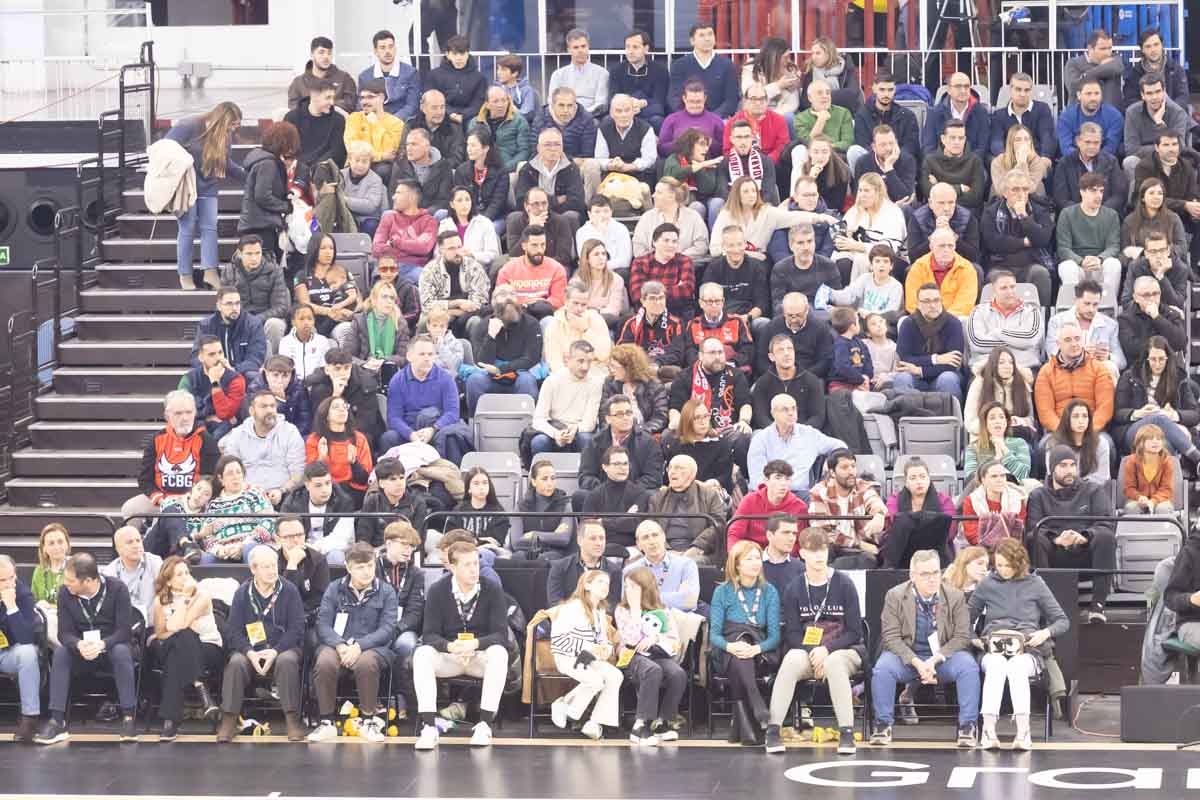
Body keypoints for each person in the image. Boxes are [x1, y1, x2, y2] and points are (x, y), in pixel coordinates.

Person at [764, 528, 864, 755]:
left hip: (844, 649)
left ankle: (846, 732)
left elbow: (854, 631)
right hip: (808, 650)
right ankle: (773, 730)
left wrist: (826, 650)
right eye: (813, 551)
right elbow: (792, 633)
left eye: (823, 550)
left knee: (835, 664)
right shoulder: (795, 588)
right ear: (802, 554)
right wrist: (813, 651)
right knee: (790, 660)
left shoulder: (844, 583)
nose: (819, 556)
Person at [870, 549, 981, 747]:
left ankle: (967, 726)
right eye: (925, 574)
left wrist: (935, 659)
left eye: (936, 573)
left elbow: (962, 636)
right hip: (907, 657)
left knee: (968, 666)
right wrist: (916, 662)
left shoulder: (955, 597)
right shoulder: (895, 596)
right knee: (883, 669)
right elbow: (891, 637)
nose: (932, 579)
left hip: (942, 658)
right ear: (912, 576)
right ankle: (883, 723)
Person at [970, 538, 1069, 750]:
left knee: (1016, 667)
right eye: (999, 566)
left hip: (1027, 648)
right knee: (996, 666)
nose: (1003, 570)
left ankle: (1023, 732)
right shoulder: (987, 584)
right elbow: (965, 619)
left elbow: (1062, 621)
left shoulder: (1035, 584)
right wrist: (974, 639)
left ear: (1019, 563)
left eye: (1007, 565)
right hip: (993, 646)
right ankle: (988, 731)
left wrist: (1044, 633)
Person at [413, 542, 510, 750]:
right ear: (452, 567)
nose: (474, 569)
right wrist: (450, 646)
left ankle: (484, 724)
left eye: (476, 563)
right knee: (422, 654)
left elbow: (501, 635)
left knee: (499, 653)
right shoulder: (438, 590)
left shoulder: (492, 588)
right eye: (467, 565)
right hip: (451, 656)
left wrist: (475, 643)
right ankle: (429, 726)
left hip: (479, 655)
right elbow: (429, 634)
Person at [34, 553, 137, 745]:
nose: (66, 583)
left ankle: (129, 718)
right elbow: (64, 633)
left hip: (110, 647)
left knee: (122, 651)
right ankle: (57, 720)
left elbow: (124, 631)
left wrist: (103, 644)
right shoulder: (65, 593)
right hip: (81, 650)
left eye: (71, 580)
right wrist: (78, 644)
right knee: (61, 653)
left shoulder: (117, 589)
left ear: (88, 581)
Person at [306, 542, 398, 744]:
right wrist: (339, 645)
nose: (366, 572)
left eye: (370, 566)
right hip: (338, 645)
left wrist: (359, 646)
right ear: (348, 567)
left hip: (373, 648)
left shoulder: (387, 591)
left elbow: (388, 628)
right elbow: (323, 624)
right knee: (324, 661)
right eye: (360, 567)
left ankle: (368, 721)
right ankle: (327, 722)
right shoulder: (334, 589)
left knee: (366, 663)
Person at [214, 545, 305, 742]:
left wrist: (275, 650)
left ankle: (292, 719)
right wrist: (249, 652)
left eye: (274, 565)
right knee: (236, 663)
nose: (272, 571)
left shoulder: (289, 590)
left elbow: (297, 628)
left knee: (287, 661)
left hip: (282, 647)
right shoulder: (242, 593)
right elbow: (232, 631)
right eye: (266, 567)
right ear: (253, 569)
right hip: (252, 650)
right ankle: (229, 720)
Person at [1028, 445, 1117, 622]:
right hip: (1054, 555)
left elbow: (1106, 522)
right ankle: (1049, 608)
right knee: (1035, 539)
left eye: (1072, 465)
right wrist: (1056, 539)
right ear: (1052, 468)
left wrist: (1085, 536)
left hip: (1086, 554)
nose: (1069, 471)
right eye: (1063, 466)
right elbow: (1033, 528)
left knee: (1106, 537)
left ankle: (1098, 607)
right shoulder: (1038, 495)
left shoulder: (1093, 490)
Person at [708, 541, 780, 745]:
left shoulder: (770, 591)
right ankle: (756, 701)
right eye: (749, 559)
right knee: (739, 641)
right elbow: (714, 635)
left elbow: (775, 636)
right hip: (727, 649)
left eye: (758, 558)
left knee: (745, 644)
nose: (756, 563)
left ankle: (742, 727)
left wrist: (755, 649)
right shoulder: (722, 591)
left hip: (759, 650)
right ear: (737, 564)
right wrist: (731, 647)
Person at [166, 102, 244, 290]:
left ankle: (210, 272)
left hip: (208, 187)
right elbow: (165, 148)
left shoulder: (225, 137)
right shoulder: (190, 125)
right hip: (187, 186)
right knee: (187, 228)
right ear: (222, 119)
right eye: (232, 124)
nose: (233, 130)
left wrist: (249, 177)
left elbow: (227, 163)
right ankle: (185, 274)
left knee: (210, 228)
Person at [149, 557, 223, 741]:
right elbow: (161, 632)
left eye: (187, 573)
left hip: (208, 647)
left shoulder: (202, 596)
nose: (185, 577)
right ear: (168, 580)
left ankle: (170, 721)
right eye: (179, 574)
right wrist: (172, 630)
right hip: (179, 648)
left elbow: (179, 625)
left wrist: (185, 598)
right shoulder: (160, 600)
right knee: (180, 642)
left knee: (182, 640)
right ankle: (202, 690)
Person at [123, 390, 220, 524]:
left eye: (188, 412)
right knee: (130, 509)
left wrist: (192, 500)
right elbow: (144, 479)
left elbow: (211, 478)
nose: (185, 418)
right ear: (167, 416)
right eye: (178, 413)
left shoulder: (207, 441)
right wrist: (160, 498)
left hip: (194, 501)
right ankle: (136, 544)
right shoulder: (156, 440)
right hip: (162, 499)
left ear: (195, 413)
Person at [616, 566, 688, 745]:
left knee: (678, 674)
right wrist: (634, 610)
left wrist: (655, 637)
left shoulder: (662, 610)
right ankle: (641, 725)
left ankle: (663, 721)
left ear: (646, 587)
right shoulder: (622, 610)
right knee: (652, 670)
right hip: (633, 656)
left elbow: (674, 642)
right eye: (626, 586)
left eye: (633, 587)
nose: (628, 591)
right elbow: (631, 639)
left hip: (657, 654)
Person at [549, 569, 622, 741]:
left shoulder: (600, 611)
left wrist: (606, 649)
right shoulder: (571, 608)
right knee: (595, 680)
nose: (605, 587)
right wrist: (590, 647)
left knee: (615, 675)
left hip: (590, 659)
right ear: (587, 584)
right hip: (567, 656)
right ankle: (565, 706)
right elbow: (558, 641)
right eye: (600, 582)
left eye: (607, 583)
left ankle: (596, 722)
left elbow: (604, 640)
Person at [382, 334, 473, 462]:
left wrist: (433, 429)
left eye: (430, 354)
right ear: (409, 356)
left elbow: (452, 413)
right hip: (411, 431)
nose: (427, 358)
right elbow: (394, 418)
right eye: (422, 354)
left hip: (437, 428)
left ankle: (451, 477)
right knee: (388, 438)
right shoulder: (397, 380)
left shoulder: (446, 379)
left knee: (450, 437)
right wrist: (411, 434)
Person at [1112, 336, 1200, 465]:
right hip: (1133, 430)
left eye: (1161, 359)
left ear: (1168, 358)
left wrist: (1174, 415)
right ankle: (1196, 458)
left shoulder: (1178, 377)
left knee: (1165, 445)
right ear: (1146, 358)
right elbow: (1118, 413)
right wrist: (1137, 413)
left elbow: (1194, 414)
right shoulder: (1130, 376)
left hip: (1168, 432)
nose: (1157, 364)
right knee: (1158, 418)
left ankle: (1168, 481)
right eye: (1153, 359)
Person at [979, 170, 1055, 306]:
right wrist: (1024, 242)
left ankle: (1043, 318)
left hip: (1031, 264)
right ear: (1005, 193)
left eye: (1025, 189)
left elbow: (1042, 239)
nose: (1021, 194)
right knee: (995, 279)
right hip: (1000, 265)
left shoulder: (1040, 211)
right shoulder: (991, 212)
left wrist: (1023, 217)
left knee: (1041, 274)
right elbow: (993, 242)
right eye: (1015, 189)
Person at [219, 389, 305, 504]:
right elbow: (230, 470)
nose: (270, 410)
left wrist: (281, 490)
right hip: (246, 498)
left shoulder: (290, 432)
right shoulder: (238, 435)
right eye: (264, 406)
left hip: (284, 497)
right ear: (252, 411)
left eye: (272, 406)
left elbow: (298, 473)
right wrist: (251, 493)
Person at [466, 284, 542, 414]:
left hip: (519, 374)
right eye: (502, 294)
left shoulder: (531, 324)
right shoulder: (483, 325)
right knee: (475, 380)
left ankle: (526, 427)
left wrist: (501, 369)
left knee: (527, 381)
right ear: (493, 302)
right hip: (490, 377)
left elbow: (531, 358)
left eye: (512, 294)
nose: (508, 298)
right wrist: (491, 336)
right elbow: (482, 362)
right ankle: (478, 425)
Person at [807, 449, 888, 569]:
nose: (851, 471)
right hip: (833, 546)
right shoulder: (819, 492)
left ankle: (832, 572)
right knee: (821, 550)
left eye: (853, 466)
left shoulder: (862, 486)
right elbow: (824, 532)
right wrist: (859, 544)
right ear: (832, 472)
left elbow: (874, 501)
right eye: (845, 467)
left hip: (858, 552)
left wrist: (879, 515)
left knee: (868, 560)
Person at [1034, 322, 1115, 435]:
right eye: (1068, 340)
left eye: (1077, 339)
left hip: (1092, 430)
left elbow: (1105, 408)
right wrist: (1064, 432)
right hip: (1058, 431)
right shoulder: (1046, 372)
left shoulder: (1098, 369)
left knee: (1104, 445)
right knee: (1047, 447)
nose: (1074, 344)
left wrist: (1088, 430)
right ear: (1058, 344)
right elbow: (1045, 413)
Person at [1132, 132, 1200, 265]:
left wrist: (1194, 206)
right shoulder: (1145, 167)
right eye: (1166, 144)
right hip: (1151, 213)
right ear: (1157, 147)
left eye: (1174, 144)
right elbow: (1147, 199)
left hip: (1181, 214)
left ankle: (1194, 264)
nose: (1171, 149)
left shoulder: (1186, 166)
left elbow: (1192, 194)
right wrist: (1184, 205)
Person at [196, 454, 276, 564]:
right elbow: (207, 536)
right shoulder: (213, 504)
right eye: (230, 473)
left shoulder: (254, 493)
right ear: (221, 479)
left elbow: (269, 521)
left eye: (238, 472)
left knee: (251, 551)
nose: (235, 476)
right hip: (224, 551)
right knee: (205, 560)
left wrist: (243, 545)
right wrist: (219, 550)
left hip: (252, 545)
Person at [530, 340, 604, 457]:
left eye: (589, 362)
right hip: (554, 429)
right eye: (580, 361)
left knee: (586, 439)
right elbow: (538, 420)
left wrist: (574, 429)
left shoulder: (596, 383)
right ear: (568, 360)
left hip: (578, 431)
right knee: (539, 442)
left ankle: (586, 474)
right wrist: (556, 434)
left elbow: (590, 423)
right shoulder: (552, 381)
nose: (585, 367)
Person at [648, 454, 726, 564]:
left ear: (692, 473)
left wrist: (696, 548)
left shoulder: (709, 495)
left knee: (690, 563)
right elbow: (650, 527)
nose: (672, 472)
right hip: (665, 550)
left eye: (679, 468)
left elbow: (717, 525)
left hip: (699, 551)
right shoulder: (658, 497)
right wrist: (666, 550)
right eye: (669, 468)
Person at [238, 122, 298, 263]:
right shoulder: (268, 164)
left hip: (255, 224)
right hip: (261, 226)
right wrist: (286, 206)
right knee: (266, 269)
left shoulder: (262, 161)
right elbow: (262, 196)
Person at [221, 236, 291, 358]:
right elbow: (224, 302)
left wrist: (257, 319)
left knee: (274, 325)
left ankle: (274, 363)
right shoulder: (229, 271)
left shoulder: (274, 271)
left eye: (257, 253)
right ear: (239, 253)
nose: (254, 258)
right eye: (249, 254)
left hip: (267, 319)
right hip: (240, 318)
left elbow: (281, 307)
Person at [1056, 172, 1123, 299]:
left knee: (1113, 264)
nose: (1098, 196)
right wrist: (1081, 261)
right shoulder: (1067, 214)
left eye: (1101, 191)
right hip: (1078, 265)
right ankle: (1074, 309)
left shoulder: (1111, 215)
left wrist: (1100, 259)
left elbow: (1113, 246)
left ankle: (1108, 305)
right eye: (1093, 191)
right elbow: (1063, 248)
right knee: (1067, 267)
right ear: (1082, 192)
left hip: (1099, 265)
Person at [895, 283, 967, 399]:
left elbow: (952, 364)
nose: (933, 305)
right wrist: (936, 359)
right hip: (915, 378)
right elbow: (904, 360)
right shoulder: (908, 324)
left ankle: (950, 417)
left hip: (943, 375)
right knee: (902, 378)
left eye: (936, 300)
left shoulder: (953, 323)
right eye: (927, 301)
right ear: (918, 304)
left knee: (948, 378)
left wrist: (920, 370)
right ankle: (907, 415)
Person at [831, 173, 906, 284]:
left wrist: (858, 246)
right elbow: (840, 232)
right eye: (860, 190)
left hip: (890, 259)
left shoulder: (892, 212)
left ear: (878, 192)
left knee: (862, 260)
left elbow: (890, 249)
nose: (862, 195)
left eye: (866, 191)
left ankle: (861, 298)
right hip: (856, 252)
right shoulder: (855, 210)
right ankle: (845, 297)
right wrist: (842, 240)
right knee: (842, 259)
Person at [304, 346, 385, 449]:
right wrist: (335, 397)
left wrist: (342, 437)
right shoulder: (319, 387)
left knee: (363, 439)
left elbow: (367, 423)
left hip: (357, 433)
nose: (343, 373)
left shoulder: (365, 385)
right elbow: (318, 424)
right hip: (328, 433)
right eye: (337, 369)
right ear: (327, 369)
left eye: (346, 368)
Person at [1045, 279, 1125, 383]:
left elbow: (1121, 361)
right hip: (1068, 367)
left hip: (1097, 371)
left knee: (1109, 367)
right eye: (1087, 304)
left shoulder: (1110, 325)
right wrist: (1080, 353)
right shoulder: (1057, 321)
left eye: (1095, 304)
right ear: (1076, 300)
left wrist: (1108, 356)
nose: (1091, 309)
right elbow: (1052, 353)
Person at [579, 444, 654, 552]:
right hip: (601, 548)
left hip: (633, 549)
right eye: (617, 464)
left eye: (625, 464)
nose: (622, 468)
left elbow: (635, 525)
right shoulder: (593, 496)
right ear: (605, 467)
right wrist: (625, 518)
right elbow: (588, 529)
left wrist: (603, 523)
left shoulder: (641, 493)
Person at [279, 461, 356, 566]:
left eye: (328, 483)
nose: (325, 490)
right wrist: (303, 548)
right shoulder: (292, 502)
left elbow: (341, 539)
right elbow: (285, 533)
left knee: (336, 556)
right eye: (318, 485)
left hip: (330, 549)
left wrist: (315, 548)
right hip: (300, 547)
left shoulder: (344, 501)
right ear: (307, 485)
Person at [0, 554, 43, 741]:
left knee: (28, 653)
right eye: (3, 580)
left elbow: (26, 637)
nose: (9, 584)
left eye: (12, 578)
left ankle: (29, 718)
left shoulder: (23, 594)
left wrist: (11, 606)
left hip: (8, 652)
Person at [883, 458, 957, 568]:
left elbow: (949, 531)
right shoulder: (894, 500)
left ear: (929, 479)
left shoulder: (944, 500)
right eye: (913, 478)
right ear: (906, 482)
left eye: (923, 477)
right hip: (903, 550)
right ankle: (889, 572)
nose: (919, 481)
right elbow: (894, 527)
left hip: (935, 552)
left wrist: (914, 524)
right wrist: (927, 523)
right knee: (902, 521)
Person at [667, 282, 754, 374]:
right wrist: (705, 365)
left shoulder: (737, 321)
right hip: (703, 371)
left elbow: (748, 349)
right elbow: (689, 351)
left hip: (732, 370)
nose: (714, 305)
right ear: (701, 303)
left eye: (717, 301)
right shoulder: (693, 324)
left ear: (723, 302)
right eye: (709, 302)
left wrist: (733, 362)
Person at [966, 270, 1045, 370]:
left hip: (1023, 368)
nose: (1010, 292)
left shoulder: (1032, 312)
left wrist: (998, 332)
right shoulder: (978, 311)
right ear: (994, 291)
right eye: (1004, 288)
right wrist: (1018, 344)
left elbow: (1030, 339)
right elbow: (977, 343)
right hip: (986, 369)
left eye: (1012, 287)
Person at [727, 459, 809, 553]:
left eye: (787, 479)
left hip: (784, 557)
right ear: (766, 480)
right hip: (752, 556)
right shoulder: (749, 500)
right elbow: (734, 533)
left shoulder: (799, 507)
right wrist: (737, 556)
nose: (783, 483)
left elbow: (799, 543)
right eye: (778, 478)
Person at [1122, 74, 1191, 182]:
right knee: (1129, 161)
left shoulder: (1178, 112)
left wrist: (1159, 124)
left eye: (1158, 92)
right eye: (1149, 93)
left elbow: (1179, 147)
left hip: (1171, 159)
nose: (1154, 97)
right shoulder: (1132, 112)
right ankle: (1138, 198)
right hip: (1145, 161)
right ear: (1142, 95)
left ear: (1164, 91)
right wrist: (1162, 149)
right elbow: (1131, 149)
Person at [419, 229, 490, 333]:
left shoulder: (474, 267)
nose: (457, 252)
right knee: (425, 322)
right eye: (451, 248)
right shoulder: (429, 271)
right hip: (440, 315)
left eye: (459, 247)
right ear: (441, 250)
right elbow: (427, 305)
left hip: (468, 316)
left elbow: (480, 301)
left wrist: (455, 312)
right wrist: (457, 303)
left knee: (476, 322)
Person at [848, 68, 920, 169]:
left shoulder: (907, 116)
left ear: (895, 90)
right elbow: (862, 143)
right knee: (854, 151)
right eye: (882, 89)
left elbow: (911, 146)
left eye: (890, 90)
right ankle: (860, 184)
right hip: (872, 162)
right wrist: (881, 157)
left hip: (898, 161)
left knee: (909, 157)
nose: (886, 94)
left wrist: (892, 158)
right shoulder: (862, 114)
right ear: (874, 88)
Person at [306, 396, 373, 504]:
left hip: (353, 491)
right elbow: (311, 476)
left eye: (344, 406)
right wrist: (321, 459)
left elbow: (365, 479)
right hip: (325, 489)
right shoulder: (315, 440)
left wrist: (354, 463)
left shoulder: (359, 438)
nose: (342, 410)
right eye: (336, 407)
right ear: (326, 414)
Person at [191, 285, 268, 379]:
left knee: (252, 375)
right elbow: (196, 356)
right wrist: (213, 369)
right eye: (229, 304)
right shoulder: (206, 325)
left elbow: (256, 358)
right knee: (194, 375)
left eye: (237, 303)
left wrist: (233, 370)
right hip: (214, 371)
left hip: (241, 373)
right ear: (219, 306)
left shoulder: (253, 324)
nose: (234, 308)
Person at [1052, 122, 1128, 215]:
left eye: (1096, 143)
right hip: (1075, 217)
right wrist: (1083, 213)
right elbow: (1061, 198)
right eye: (1087, 142)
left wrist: (1100, 212)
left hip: (1105, 216)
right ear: (1078, 141)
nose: (1092, 146)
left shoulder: (1111, 162)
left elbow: (1119, 195)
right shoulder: (1064, 164)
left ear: (1101, 143)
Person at [515, 127, 587, 224]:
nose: (553, 149)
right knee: (514, 217)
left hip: (562, 217)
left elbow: (577, 202)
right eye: (547, 145)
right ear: (538, 148)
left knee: (571, 216)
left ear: (562, 147)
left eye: (557, 144)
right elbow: (521, 201)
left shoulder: (571, 168)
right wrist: (556, 200)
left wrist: (539, 204)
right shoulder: (527, 169)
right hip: (534, 216)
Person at [496, 224, 569, 320]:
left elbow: (559, 301)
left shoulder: (557, 269)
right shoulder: (507, 270)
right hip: (516, 316)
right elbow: (501, 300)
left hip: (545, 316)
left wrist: (538, 304)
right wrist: (527, 304)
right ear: (524, 246)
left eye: (543, 245)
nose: (539, 250)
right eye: (534, 245)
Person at [625, 521, 701, 612]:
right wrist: (676, 596)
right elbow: (628, 605)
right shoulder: (630, 571)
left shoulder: (686, 565)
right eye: (645, 537)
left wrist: (644, 598)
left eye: (655, 535)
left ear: (664, 537)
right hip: (644, 623)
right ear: (638, 544)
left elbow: (689, 602)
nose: (651, 541)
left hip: (679, 622)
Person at [663, 398, 736, 493]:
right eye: (697, 417)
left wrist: (713, 483)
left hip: (711, 494)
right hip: (681, 493)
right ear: (687, 420)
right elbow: (667, 479)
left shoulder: (721, 444)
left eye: (706, 416)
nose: (703, 422)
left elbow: (725, 477)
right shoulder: (676, 445)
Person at [180, 335, 246, 440]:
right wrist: (207, 417)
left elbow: (224, 413)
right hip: (197, 426)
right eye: (212, 354)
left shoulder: (236, 379)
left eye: (220, 352)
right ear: (200, 357)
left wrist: (215, 383)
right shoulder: (189, 379)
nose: (218, 358)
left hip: (229, 432)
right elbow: (182, 410)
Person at [293, 234, 358, 340]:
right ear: (314, 250)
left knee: (345, 329)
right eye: (323, 248)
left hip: (338, 321)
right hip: (313, 320)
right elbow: (305, 304)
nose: (328, 252)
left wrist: (351, 314)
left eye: (331, 248)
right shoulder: (302, 275)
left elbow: (358, 299)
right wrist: (329, 311)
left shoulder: (342, 272)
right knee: (309, 330)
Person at [667, 22, 739, 117]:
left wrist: (711, 119)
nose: (707, 39)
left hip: (718, 119)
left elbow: (731, 100)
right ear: (692, 41)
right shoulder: (679, 65)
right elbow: (674, 98)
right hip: (687, 118)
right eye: (702, 35)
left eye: (710, 34)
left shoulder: (727, 65)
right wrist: (688, 117)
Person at [757, 292, 836, 379]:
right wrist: (779, 375)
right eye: (790, 315)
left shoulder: (821, 328)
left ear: (807, 310)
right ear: (783, 311)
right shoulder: (771, 327)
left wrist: (801, 376)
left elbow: (824, 362)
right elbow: (761, 359)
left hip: (809, 378)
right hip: (776, 377)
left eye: (799, 315)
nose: (794, 320)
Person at [543, 281, 613, 379]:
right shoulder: (554, 325)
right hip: (566, 376)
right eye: (575, 303)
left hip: (595, 374)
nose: (579, 308)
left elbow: (604, 354)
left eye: (583, 304)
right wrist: (570, 379)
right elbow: (554, 362)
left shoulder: (597, 319)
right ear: (566, 301)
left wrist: (585, 330)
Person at [616, 280, 684, 380]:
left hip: (663, 370)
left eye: (661, 298)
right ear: (643, 301)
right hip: (638, 368)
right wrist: (642, 363)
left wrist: (656, 363)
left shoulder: (676, 324)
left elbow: (677, 354)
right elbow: (623, 350)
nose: (658, 302)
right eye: (652, 298)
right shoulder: (631, 324)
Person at [547, 520, 623, 607]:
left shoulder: (615, 570)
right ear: (579, 540)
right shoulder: (560, 567)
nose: (599, 543)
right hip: (568, 618)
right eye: (593, 538)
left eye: (602, 538)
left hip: (600, 618)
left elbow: (612, 606)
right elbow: (555, 603)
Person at [529, 86, 599, 182]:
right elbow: (535, 152)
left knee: (592, 166)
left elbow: (587, 155)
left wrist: (564, 160)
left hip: (574, 167)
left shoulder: (586, 119)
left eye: (570, 105)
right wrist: (560, 160)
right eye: (561, 105)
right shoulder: (540, 118)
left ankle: (590, 197)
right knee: (522, 167)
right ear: (552, 105)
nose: (566, 110)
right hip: (547, 164)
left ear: (575, 105)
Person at [904, 231, 979, 320]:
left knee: (963, 320)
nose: (946, 250)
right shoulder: (918, 266)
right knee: (903, 321)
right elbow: (912, 303)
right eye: (941, 246)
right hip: (924, 319)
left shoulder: (967, 268)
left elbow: (965, 304)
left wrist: (942, 320)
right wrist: (930, 318)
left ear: (955, 247)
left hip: (954, 320)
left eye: (950, 246)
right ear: (931, 247)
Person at [629, 223, 697, 322]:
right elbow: (637, 294)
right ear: (654, 242)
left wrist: (651, 294)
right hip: (647, 315)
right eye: (666, 240)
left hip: (678, 314)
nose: (671, 245)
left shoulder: (685, 261)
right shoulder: (640, 262)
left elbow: (687, 291)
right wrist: (675, 289)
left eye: (674, 241)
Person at [356, 458, 429, 549]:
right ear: (381, 483)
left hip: (406, 553)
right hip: (377, 553)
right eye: (393, 479)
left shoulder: (418, 503)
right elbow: (363, 538)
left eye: (402, 478)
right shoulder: (373, 501)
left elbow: (418, 540)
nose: (399, 483)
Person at [632, 177, 709, 260]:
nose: (653, 195)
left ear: (671, 196)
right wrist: (657, 260)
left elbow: (701, 246)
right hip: (652, 268)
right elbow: (638, 247)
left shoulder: (693, 217)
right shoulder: (647, 218)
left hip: (683, 267)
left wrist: (676, 258)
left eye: (659, 192)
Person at [908, 180, 982, 265]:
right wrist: (934, 237)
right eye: (941, 203)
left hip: (958, 265)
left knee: (976, 269)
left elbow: (974, 256)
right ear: (930, 203)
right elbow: (913, 257)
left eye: (951, 202)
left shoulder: (968, 217)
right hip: (927, 264)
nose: (946, 208)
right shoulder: (917, 217)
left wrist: (953, 236)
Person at [347, 280, 411, 378]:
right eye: (384, 297)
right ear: (374, 299)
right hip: (362, 372)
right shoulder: (360, 321)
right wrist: (364, 364)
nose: (389, 301)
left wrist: (383, 361)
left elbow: (404, 357)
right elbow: (347, 355)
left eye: (392, 298)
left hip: (390, 372)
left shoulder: (400, 323)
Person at [919, 119, 987, 211]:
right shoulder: (930, 161)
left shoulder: (975, 161)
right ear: (943, 139)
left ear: (965, 139)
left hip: (967, 212)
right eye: (952, 138)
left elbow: (975, 197)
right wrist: (960, 188)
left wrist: (938, 186)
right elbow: (928, 192)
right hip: (935, 212)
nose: (957, 142)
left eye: (961, 138)